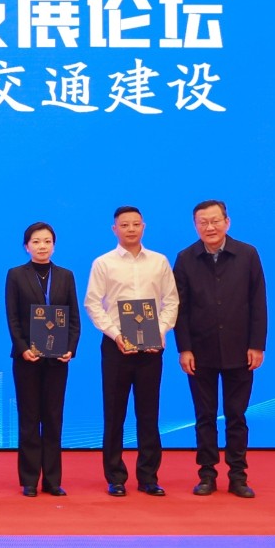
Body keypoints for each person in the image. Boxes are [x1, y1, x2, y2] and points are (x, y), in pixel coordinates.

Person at [173, 200, 267, 499]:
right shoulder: (185, 258)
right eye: (203, 222)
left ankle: (238, 476)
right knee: (205, 415)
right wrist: (184, 349)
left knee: (236, 415)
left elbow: (258, 302)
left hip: (240, 349)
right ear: (195, 226)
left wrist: (257, 344)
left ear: (227, 222)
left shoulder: (248, 254)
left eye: (215, 221)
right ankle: (207, 474)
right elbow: (180, 309)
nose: (210, 227)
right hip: (200, 352)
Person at [83, 206, 179, 497]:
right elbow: (92, 303)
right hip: (116, 347)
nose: (131, 229)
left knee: (149, 413)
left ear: (143, 227)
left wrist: (160, 331)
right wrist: (115, 334)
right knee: (114, 414)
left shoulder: (159, 261)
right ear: (115, 229)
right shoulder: (103, 263)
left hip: (151, 347)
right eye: (124, 225)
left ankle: (149, 476)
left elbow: (171, 301)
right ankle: (115, 477)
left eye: (136, 224)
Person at [4, 222, 82, 497]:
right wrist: (23, 348)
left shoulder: (65, 275)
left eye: (47, 241)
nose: (42, 246)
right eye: (36, 241)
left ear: (54, 245)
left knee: (53, 418)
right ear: (26, 246)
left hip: (57, 360)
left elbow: (74, 318)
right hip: (27, 358)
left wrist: (70, 348)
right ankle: (29, 480)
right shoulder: (16, 275)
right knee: (28, 418)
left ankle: (52, 480)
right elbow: (12, 317)